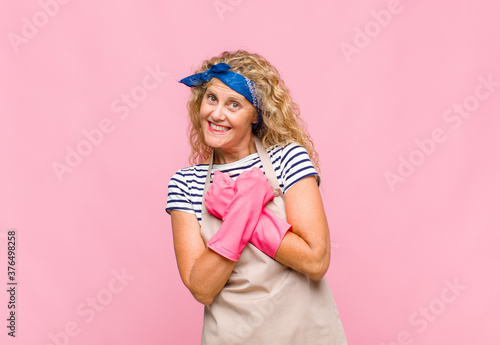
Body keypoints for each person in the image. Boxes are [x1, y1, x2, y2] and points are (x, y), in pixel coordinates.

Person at [165, 50, 347, 344]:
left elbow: (315, 261)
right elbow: (202, 288)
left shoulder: (288, 159)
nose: (216, 114)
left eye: (233, 104)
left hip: (305, 335)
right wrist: (244, 209)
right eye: (211, 98)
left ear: (255, 114)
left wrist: (243, 211)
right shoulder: (185, 184)